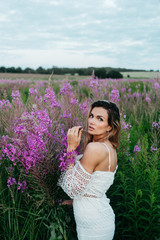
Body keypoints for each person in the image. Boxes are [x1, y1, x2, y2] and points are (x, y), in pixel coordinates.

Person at [58, 100, 121, 240]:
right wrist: (75, 201)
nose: (92, 121)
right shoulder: (108, 147)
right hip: (98, 218)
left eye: (100, 119)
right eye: (91, 116)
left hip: (94, 225)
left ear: (109, 127)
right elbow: (95, 185)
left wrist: (71, 149)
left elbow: (72, 189)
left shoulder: (95, 149)